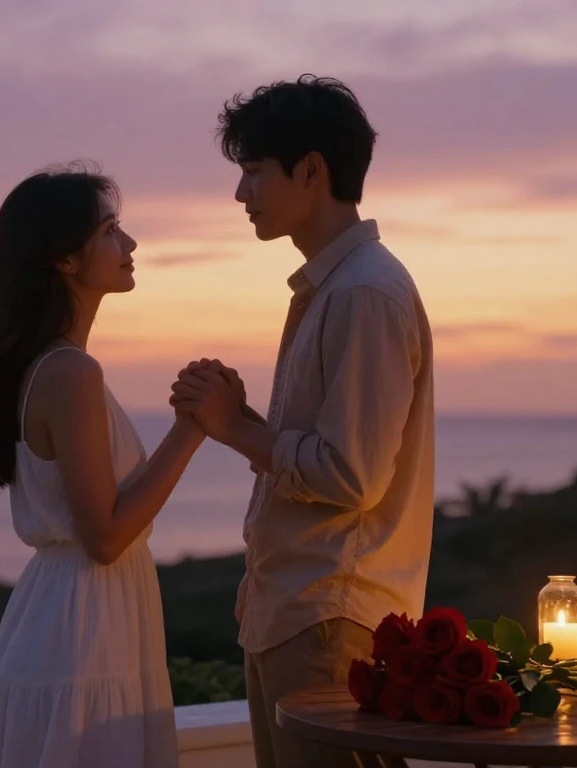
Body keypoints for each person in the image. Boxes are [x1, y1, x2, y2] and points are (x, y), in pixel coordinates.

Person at [171, 75, 436, 768]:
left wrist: (234, 428)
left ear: (312, 170)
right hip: (295, 610)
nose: (241, 193)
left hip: (329, 618)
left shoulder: (363, 292)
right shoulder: (334, 288)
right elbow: (325, 454)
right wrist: (240, 417)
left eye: (255, 171)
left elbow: (352, 476)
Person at [0, 164, 201, 768]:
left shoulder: (53, 366)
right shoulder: (69, 372)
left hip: (71, 614)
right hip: (84, 627)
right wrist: (194, 428)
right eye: (110, 231)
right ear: (65, 258)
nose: (130, 243)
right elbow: (106, 537)